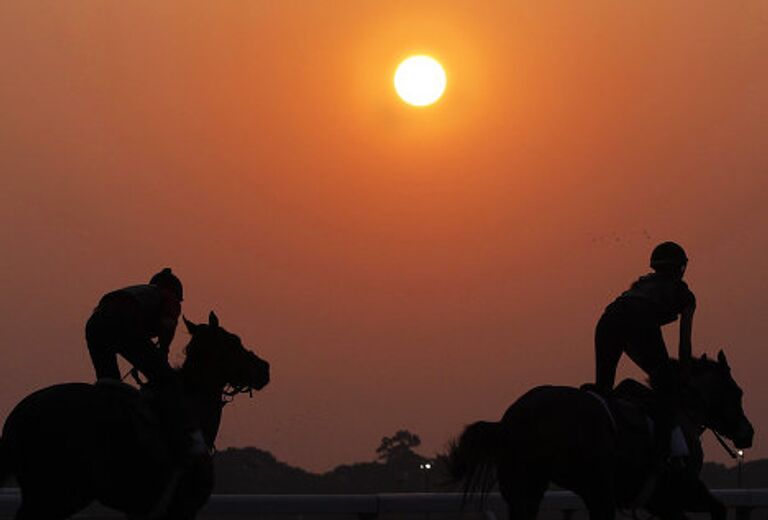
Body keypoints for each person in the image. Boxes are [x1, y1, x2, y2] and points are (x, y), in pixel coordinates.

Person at [86, 268, 205, 461]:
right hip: (122, 322)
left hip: (95, 323)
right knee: (167, 380)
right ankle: (184, 441)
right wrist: (163, 353)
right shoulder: (169, 297)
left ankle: (110, 430)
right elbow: (167, 325)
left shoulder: (141, 293)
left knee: (109, 387)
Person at [593, 241, 695, 462]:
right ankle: (661, 457)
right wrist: (682, 373)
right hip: (639, 321)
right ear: (680, 268)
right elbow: (684, 344)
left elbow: (629, 335)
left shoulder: (639, 285)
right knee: (667, 391)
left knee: (602, 390)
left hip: (607, 319)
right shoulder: (684, 294)